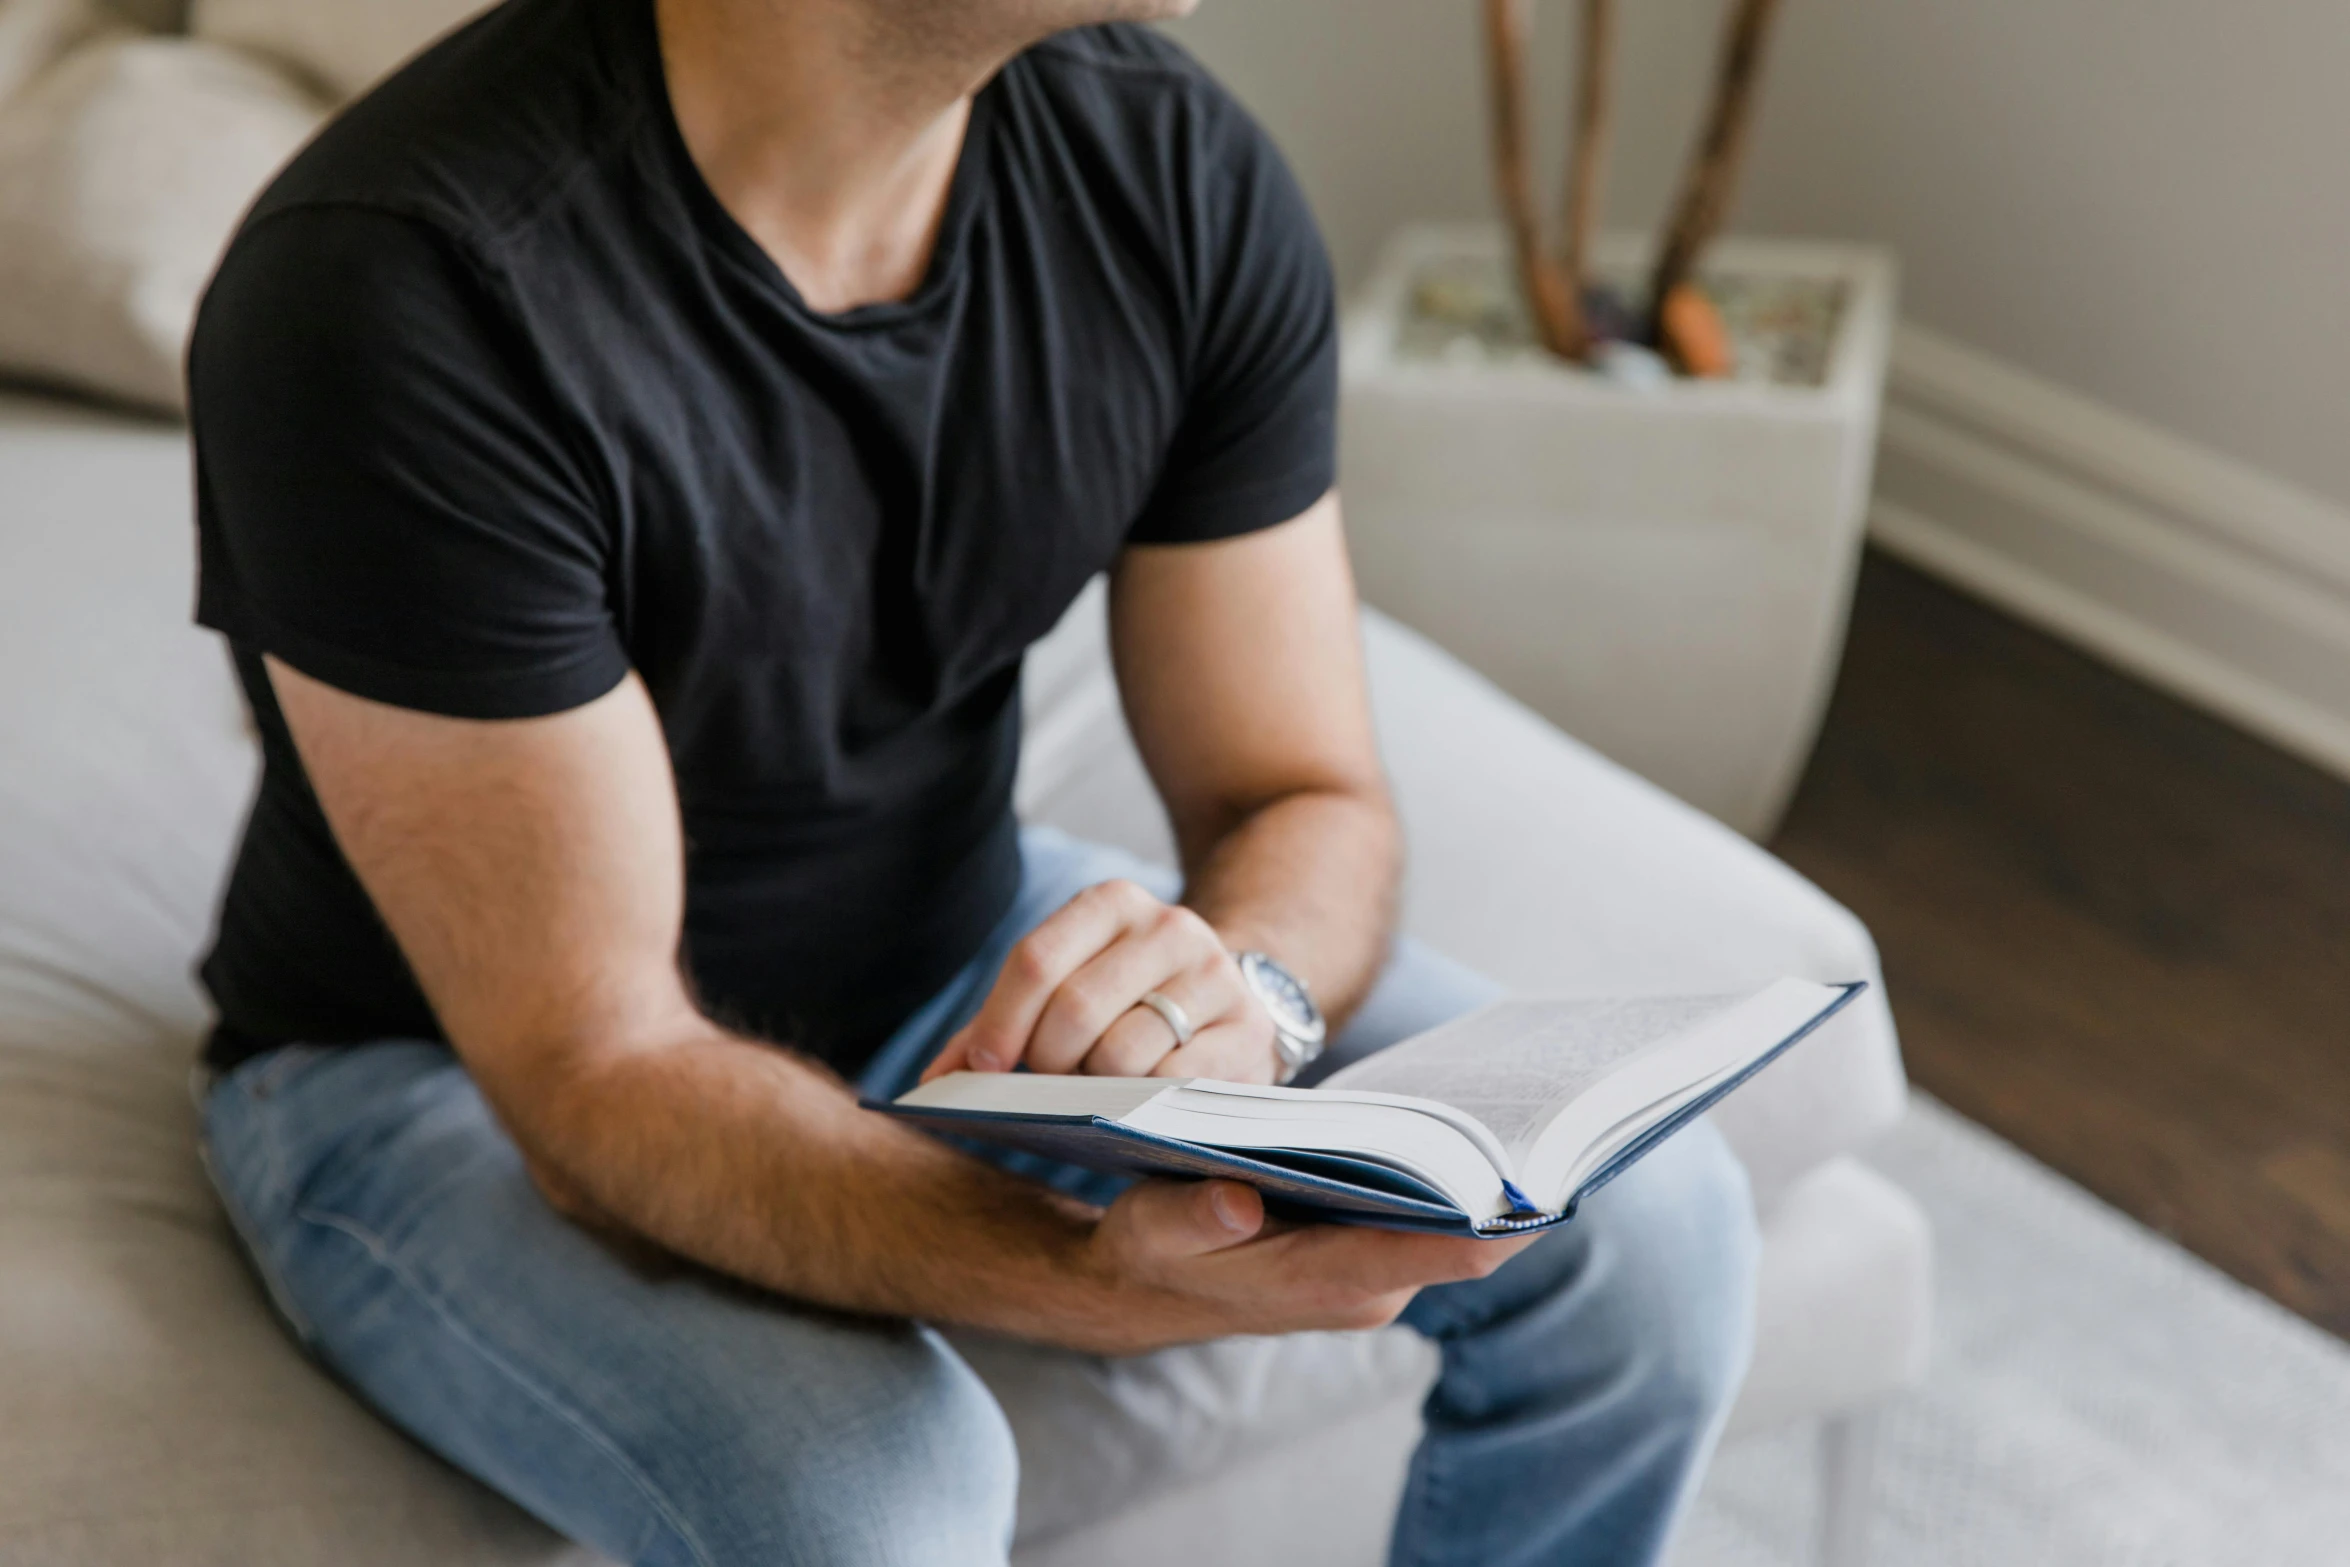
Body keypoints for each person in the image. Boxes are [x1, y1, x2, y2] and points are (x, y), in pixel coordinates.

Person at [187, 0, 1759, 1561]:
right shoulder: (398, 286)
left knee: (1657, 1228)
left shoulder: (1171, 167)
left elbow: (1298, 792)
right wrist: (1089, 1274)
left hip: (954, 944)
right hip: (431, 1067)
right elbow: (595, 1072)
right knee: (881, 1503)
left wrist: (1249, 1000)